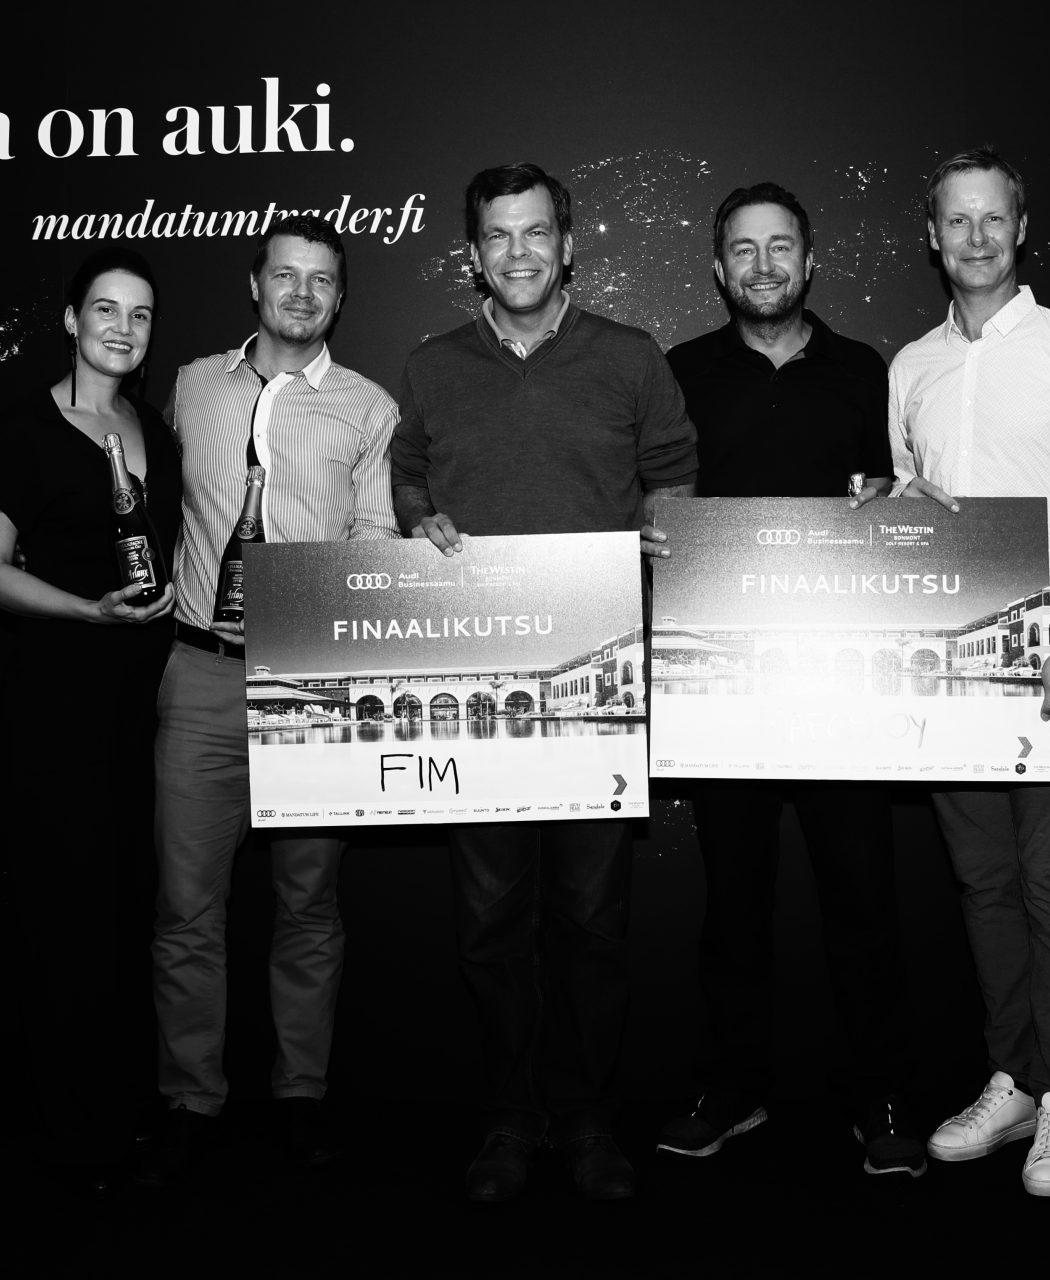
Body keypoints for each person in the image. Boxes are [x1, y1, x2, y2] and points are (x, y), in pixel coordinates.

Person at [391, 162, 697, 1203]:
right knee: (488, 923)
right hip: (474, 685)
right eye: (498, 235)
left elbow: (673, 469)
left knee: (593, 922)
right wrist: (418, 517)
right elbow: (408, 473)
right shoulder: (432, 365)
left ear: (567, 246)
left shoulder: (629, 354)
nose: (517, 252)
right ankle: (509, 1117)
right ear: (473, 254)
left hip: (598, 679)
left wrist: (660, 531)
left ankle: (587, 1116)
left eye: (535, 233)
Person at [887, 147, 1050, 1197]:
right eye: (958, 220)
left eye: (993, 218)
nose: (977, 237)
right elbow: (910, 505)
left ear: (1021, 227)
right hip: (953, 651)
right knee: (984, 880)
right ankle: (1015, 1081)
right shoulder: (911, 367)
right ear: (933, 236)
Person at [656, 183, 920, 1176]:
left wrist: (892, 507)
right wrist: (649, 527)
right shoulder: (680, 372)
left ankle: (882, 1093)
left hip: (842, 682)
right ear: (718, 267)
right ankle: (733, 1087)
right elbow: (655, 498)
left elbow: (898, 504)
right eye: (743, 249)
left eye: (780, 247)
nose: (763, 265)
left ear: (810, 261)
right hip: (722, 684)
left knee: (864, 901)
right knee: (733, 906)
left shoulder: (864, 370)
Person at [144, 214, 401, 1183]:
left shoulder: (368, 407)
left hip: (311, 680)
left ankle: (300, 1095)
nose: (301, 293)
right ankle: (190, 1099)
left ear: (340, 296)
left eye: (321, 280)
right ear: (255, 285)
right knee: (185, 907)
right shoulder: (192, 385)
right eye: (285, 275)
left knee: (309, 904)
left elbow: (375, 536)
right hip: (201, 674)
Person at [0, 246, 178, 1190]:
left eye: (140, 314)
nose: (122, 328)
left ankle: (114, 1103)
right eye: (106, 309)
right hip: (54, 701)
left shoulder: (149, 427)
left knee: (123, 900)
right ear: (70, 319)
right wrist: (87, 611)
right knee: (64, 905)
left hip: (138, 700)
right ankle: (66, 1122)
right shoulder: (24, 429)